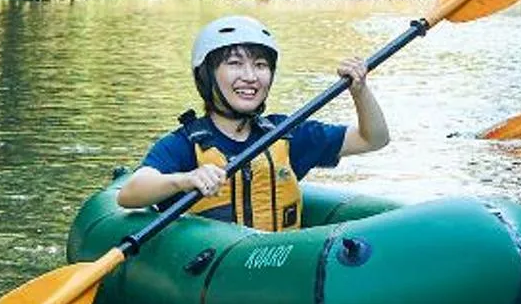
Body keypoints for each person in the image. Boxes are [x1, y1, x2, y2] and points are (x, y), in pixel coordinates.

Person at [116, 16, 389, 233]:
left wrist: (360, 90)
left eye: (260, 65)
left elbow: (373, 139)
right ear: (207, 76)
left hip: (281, 268)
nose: (250, 77)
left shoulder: (286, 133)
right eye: (234, 64)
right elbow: (129, 194)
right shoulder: (186, 144)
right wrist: (184, 179)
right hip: (212, 275)